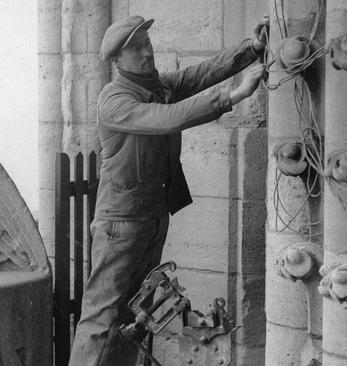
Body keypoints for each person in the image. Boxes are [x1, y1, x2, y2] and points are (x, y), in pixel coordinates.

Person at [68, 15, 269, 366]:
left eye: (147, 44)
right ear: (117, 61)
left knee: (136, 317)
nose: (147, 53)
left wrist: (249, 50)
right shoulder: (114, 100)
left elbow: (201, 74)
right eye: (136, 49)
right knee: (101, 321)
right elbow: (169, 118)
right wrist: (233, 95)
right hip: (120, 226)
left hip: (150, 219)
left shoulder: (157, 86)